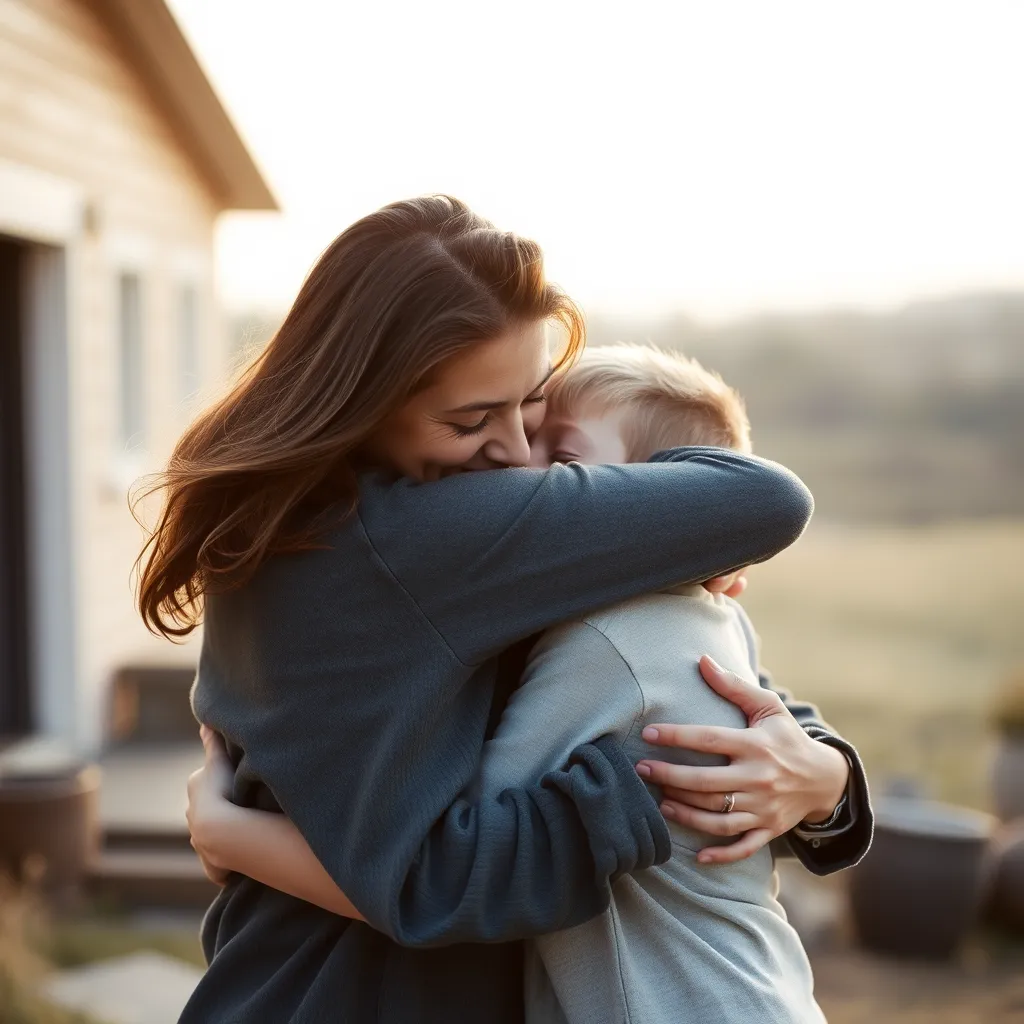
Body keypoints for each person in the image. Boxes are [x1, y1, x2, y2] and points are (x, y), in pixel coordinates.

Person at [139, 196, 868, 1024]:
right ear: (362, 400)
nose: (518, 457)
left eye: (530, 406)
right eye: (468, 419)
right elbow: (766, 499)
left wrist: (825, 775)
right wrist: (633, 787)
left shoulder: (332, 524)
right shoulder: (407, 541)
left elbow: (693, 670)